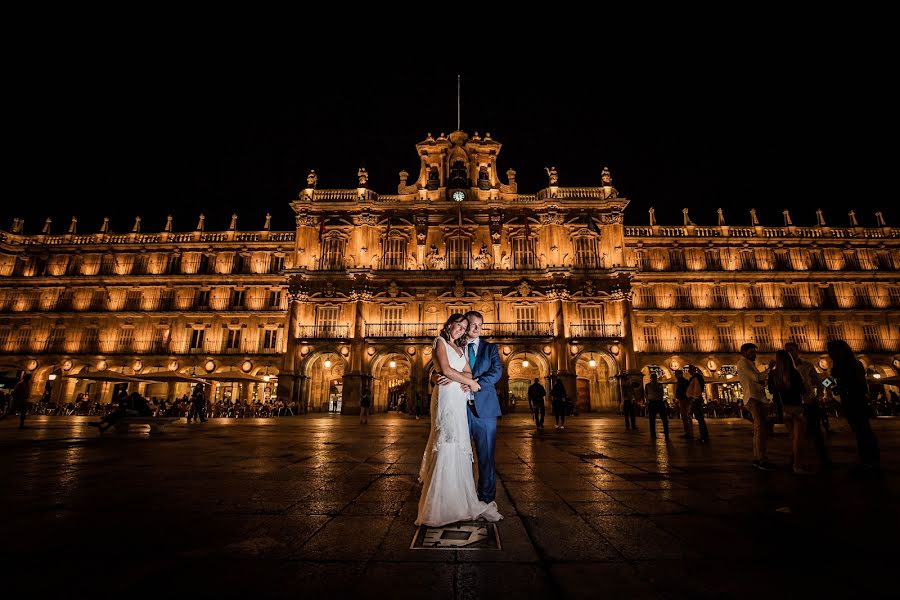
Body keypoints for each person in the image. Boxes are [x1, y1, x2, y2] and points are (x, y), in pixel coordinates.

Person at [417, 314, 502, 526]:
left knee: (485, 457)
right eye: (467, 325)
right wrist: (434, 376)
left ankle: (484, 498)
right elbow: (442, 367)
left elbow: (496, 372)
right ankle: (447, 498)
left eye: (477, 325)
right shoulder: (455, 345)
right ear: (452, 325)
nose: (472, 328)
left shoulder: (489, 348)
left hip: (484, 408)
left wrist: (474, 382)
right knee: (452, 446)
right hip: (458, 405)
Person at [828, 339, 880, 472]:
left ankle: (869, 461)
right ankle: (868, 459)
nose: (829, 354)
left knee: (863, 431)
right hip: (853, 400)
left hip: (855, 401)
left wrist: (840, 387)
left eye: (831, 351)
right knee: (861, 431)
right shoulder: (850, 364)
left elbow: (855, 384)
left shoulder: (850, 365)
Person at [785, 342, 832, 469]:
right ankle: (795, 460)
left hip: (809, 402)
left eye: (791, 350)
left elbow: (818, 381)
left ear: (797, 351)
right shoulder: (784, 367)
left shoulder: (807, 365)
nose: (789, 352)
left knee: (816, 432)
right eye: (787, 350)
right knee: (796, 435)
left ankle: (824, 460)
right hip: (794, 404)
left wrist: (820, 396)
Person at [768, 350, 809, 474]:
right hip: (796, 408)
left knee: (793, 436)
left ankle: (793, 461)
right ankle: (797, 465)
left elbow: (770, 390)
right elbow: (802, 390)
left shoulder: (773, 374)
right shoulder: (795, 372)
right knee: (799, 438)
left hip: (782, 409)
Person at [736, 344, 776, 470]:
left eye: (754, 352)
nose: (754, 354)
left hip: (758, 397)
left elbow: (757, 380)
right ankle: (761, 459)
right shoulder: (743, 363)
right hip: (753, 398)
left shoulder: (750, 364)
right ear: (743, 352)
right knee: (760, 427)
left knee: (760, 429)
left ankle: (758, 457)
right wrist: (769, 368)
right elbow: (757, 377)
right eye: (751, 352)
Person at [686, 366, 709, 443]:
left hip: (696, 399)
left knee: (700, 418)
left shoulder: (696, 377)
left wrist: (694, 398)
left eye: (690, 370)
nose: (689, 371)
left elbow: (697, 389)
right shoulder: (696, 377)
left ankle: (704, 436)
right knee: (699, 418)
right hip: (696, 399)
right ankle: (703, 436)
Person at [645, 373, 669, 439]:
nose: (654, 379)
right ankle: (653, 434)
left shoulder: (659, 385)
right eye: (652, 377)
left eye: (655, 377)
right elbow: (646, 394)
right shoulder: (647, 385)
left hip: (659, 402)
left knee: (664, 419)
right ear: (650, 378)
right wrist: (647, 402)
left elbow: (661, 393)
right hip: (652, 402)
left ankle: (666, 433)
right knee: (652, 420)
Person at [674, 370, 691, 438]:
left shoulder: (683, 381)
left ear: (681, 374)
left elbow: (685, 390)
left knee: (685, 416)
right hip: (682, 399)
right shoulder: (681, 381)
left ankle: (688, 433)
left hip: (684, 399)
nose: (675, 375)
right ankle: (688, 432)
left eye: (676, 374)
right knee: (685, 416)